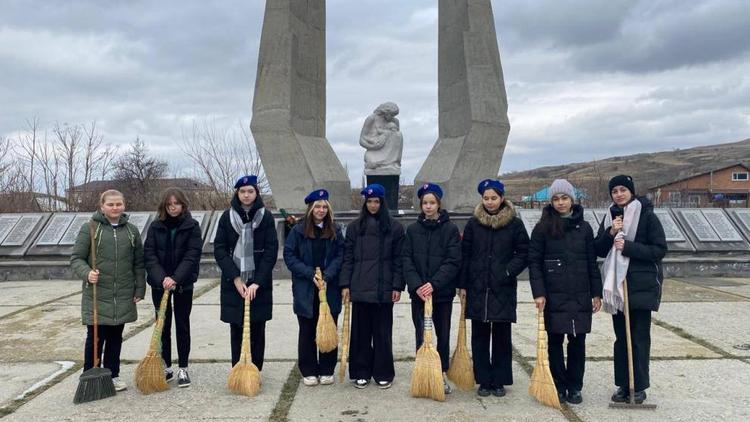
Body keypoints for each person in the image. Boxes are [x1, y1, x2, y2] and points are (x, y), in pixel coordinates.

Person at [594, 175, 667, 405]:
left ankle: (639, 386)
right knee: (621, 338)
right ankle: (624, 385)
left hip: (640, 285)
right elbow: (598, 248)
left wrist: (629, 247)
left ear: (631, 191)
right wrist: (611, 234)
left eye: (623, 189)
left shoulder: (647, 216)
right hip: (617, 287)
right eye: (614, 191)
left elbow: (659, 250)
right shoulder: (610, 215)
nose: (618, 194)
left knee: (638, 338)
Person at [528, 179, 602, 404]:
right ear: (551, 202)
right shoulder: (542, 228)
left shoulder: (585, 228)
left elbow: (592, 262)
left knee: (578, 342)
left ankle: (575, 386)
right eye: (556, 199)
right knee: (555, 342)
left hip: (580, 293)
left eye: (565, 198)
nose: (561, 203)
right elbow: (534, 262)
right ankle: (558, 384)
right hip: (554, 294)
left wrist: (596, 293)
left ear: (572, 199)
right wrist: (539, 292)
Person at [459, 179, 529, 398]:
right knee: (479, 336)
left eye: (494, 198)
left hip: (503, 288)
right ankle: (484, 380)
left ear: (502, 198)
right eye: (486, 198)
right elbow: (465, 254)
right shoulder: (473, 224)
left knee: (501, 336)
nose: (490, 202)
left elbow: (524, 252)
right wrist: (462, 284)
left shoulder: (514, 224)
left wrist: (508, 271)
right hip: (478, 287)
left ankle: (499, 380)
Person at [71, 189, 145, 392]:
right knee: (95, 336)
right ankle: (90, 375)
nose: (115, 208)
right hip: (97, 294)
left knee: (115, 336)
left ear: (124, 205)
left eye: (118, 204)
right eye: (110, 204)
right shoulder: (90, 229)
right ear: (102, 206)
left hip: (122, 293)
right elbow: (76, 258)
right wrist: (87, 273)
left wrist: (140, 287)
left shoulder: (131, 231)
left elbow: (138, 263)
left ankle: (112, 374)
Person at [339, 184, 405, 389]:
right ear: (364, 203)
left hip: (383, 290)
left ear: (382, 203)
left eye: (376, 201)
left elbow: (398, 259)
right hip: (359, 289)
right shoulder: (354, 227)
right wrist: (345, 284)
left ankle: (383, 372)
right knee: (361, 334)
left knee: (382, 334)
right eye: (369, 202)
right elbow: (347, 258)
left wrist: (397, 285)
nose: (373, 205)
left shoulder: (394, 227)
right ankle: (361, 371)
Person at [214, 175, 278, 371]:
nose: (246, 195)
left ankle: (255, 370)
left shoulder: (265, 217)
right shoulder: (227, 217)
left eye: (250, 191)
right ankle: (238, 369)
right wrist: (235, 277)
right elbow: (220, 249)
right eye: (242, 191)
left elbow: (271, 250)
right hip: (234, 282)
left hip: (259, 282)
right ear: (237, 194)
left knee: (257, 328)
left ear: (256, 193)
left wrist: (257, 282)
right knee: (237, 327)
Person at [403, 182, 461, 395]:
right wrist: (417, 285)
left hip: (441, 294)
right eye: (425, 203)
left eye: (432, 203)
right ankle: (423, 372)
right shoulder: (412, 230)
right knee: (421, 333)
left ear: (439, 204)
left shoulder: (450, 229)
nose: (428, 206)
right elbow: (406, 259)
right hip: (419, 294)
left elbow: (453, 261)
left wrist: (434, 284)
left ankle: (442, 372)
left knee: (442, 334)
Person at [284, 189, 344, 387]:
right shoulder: (298, 231)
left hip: (329, 287)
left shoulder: (335, 230)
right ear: (310, 209)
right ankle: (308, 369)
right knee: (308, 329)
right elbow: (290, 256)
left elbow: (340, 256)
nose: (321, 210)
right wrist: (310, 274)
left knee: (329, 327)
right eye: (317, 207)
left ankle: (327, 369)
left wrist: (327, 277)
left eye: (324, 207)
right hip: (306, 289)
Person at [144, 187, 203, 387]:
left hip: (182, 284)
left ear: (183, 204)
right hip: (160, 285)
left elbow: (192, 255)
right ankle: (167, 366)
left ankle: (183, 368)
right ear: (164, 205)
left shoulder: (192, 226)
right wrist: (162, 278)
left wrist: (175, 278)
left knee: (182, 325)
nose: (173, 208)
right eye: (169, 204)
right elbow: (149, 255)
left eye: (176, 203)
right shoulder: (155, 227)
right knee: (162, 326)